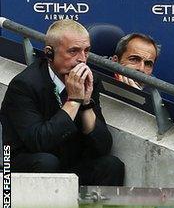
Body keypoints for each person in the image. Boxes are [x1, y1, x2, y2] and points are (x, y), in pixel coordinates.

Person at [0, 19, 124, 185]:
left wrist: (86, 103)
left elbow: (102, 147)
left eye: (86, 51)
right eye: (73, 51)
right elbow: (39, 142)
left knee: (112, 165)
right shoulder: (24, 85)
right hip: (26, 163)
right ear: (49, 53)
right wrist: (73, 101)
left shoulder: (89, 80)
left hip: (68, 161)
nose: (82, 59)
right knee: (47, 162)